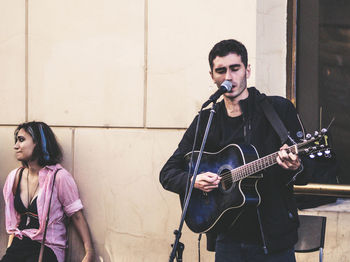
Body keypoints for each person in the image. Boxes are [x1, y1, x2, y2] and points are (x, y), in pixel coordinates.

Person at [159, 39, 304, 261]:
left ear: (247, 70)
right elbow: (167, 173)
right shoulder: (207, 121)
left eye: (235, 68)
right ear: (212, 76)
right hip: (227, 240)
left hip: (273, 240)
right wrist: (193, 180)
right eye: (221, 71)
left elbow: (311, 168)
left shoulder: (277, 110)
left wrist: (297, 165)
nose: (229, 77)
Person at [1, 121, 94, 262]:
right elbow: (15, 222)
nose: (16, 146)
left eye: (21, 140)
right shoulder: (15, 176)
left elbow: (76, 215)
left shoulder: (59, 177)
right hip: (20, 246)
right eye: (16, 141)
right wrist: (10, 250)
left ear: (37, 143)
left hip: (47, 247)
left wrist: (89, 252)